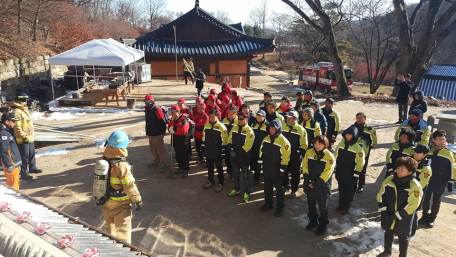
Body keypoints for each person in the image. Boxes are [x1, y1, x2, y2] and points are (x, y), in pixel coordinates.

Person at [102, 131, 142, 244]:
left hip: (106, 202)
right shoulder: (121, 165)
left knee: (110, 231)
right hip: (121, 206)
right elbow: (129, 186)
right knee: (123, 234)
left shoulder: (103, 161)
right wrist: (137, 200)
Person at [376, 157, 422, 257]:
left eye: (402, 169)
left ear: (410, 172)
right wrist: (384, 210)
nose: (399, 171)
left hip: (404, 217)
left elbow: (413, 204)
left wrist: (397, 215)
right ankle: (387, 251)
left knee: (403, 236)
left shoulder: (414, 185)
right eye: (398, 168)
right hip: (388, 213)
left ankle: (402, 255)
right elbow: (381, 195)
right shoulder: (389, 180)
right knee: (388, 231)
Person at [419, 130, 456, 228]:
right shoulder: (428, 151)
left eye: (443, 139)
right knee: (426, 198)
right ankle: (424, 215)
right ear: (433, 139)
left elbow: (452, 168)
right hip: (428, 179)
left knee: (436, 199)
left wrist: (450, 182)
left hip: (441, 179)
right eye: (439, 139)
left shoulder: (449, 153)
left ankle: (432, 217)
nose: (441, 141)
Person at [302, 135, 335, 236]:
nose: (317, 146)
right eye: (315, 143)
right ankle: (312, 221)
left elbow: (327, 172)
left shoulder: (329, 156)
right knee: (311, 203)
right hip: (310, 183)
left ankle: (323, 224)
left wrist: (315, 184)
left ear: (325, 145)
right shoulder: (309, 152)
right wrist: (307, 180)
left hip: (322, 185)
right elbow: (305, 165)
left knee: (323, 206)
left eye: (320, 144)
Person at [258, 120, 291, 217]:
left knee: (279, 190)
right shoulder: (266, 139)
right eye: (270, 128)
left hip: (277, 170)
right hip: (267, 168)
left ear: (278, 129)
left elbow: (285, 158)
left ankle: (280, 207)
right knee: (267, 188)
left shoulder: (284, 142)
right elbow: (261, 152)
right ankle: (268, 203)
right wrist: (260, 166)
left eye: (273, 128)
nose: (271, 130)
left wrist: (282, 170)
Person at [334, 126, 365, 214]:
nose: (348, 136)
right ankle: (341, 204)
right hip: (341, 171)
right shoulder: (341, 144)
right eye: (347, 134)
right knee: (341, 188)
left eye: (350, 134)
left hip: (351, 173)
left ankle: (346, 206)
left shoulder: (358, 148)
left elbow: (360, 162)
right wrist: (335, 167)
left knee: (349, 191)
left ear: (354, 136)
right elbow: (336, 155)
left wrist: (356, 174)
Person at [10, 92, 41, 180]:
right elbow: (17, 127)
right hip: (23, 138)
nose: (26, 101)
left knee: (31, 153)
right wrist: (23, 136)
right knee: (24, 156)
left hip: (29, 137)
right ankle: (23, 173)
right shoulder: (16, 112)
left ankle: (32, 167)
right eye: (25, 100)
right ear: (21, 100)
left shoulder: (24, 109)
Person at [227, 111, 254, 203]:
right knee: (235, 174)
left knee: (245, 175)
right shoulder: (234, 128)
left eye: (242, 119)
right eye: (239, 118)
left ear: (246, 120)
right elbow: (229, 139)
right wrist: (230, 149)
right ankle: (237, 189)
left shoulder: (249, 131)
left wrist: (237, 152)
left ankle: (247, 192)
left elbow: (248, 145)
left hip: (243, 158)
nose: (239, 120)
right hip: (234, 156)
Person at [282, 111, 307, 198]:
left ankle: (294, 189)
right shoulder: (283, 127)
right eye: (287, 118)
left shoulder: (301, 130)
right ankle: (286, 185)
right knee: (284, 171)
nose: (288, 119)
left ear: (295, 119)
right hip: (284, 155)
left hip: (295, 157)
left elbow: (304, 144)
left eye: (290, 118)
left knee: (295, 174)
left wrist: (298, 153)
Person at [202, 109, 228, 192]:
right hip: (209, 150)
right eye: (210, 117)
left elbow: (225, 140)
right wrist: (203, 148)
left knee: (219, 168)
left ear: (217, 117)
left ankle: (220, 183)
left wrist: (223, 151)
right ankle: (210, 181)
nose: (212, 118)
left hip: (217, 152)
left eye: (213, 117)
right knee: (210, 167)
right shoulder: (206, 125)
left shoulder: (221, 127)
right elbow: (203, 137)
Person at [353, 112, 378, 192]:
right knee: (353, 166)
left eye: (361, 118)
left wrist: (369, 147)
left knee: (363, 167)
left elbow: (374, 141)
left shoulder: (370, 129)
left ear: (365, 119)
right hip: (353, 150)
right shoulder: (353, 127)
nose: (359, 120)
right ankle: (352, 183)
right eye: (358, 118)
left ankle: (361, 185)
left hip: (364, 151)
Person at [411, 144, 432, 237]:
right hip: (406, 190)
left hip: (416, 193)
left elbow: (421, 184)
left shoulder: (426, 168)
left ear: (425, 155)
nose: (415, 153)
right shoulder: (412, 161)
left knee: (413, 213)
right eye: (415, 151)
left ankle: (411, 233)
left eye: (418, 152)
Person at [144, 94, 169, 172]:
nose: (146, 103)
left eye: (147, 101)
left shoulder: (156, 109)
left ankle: (165, 165)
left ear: (152, 101)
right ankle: (156, 162)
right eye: (145, 101)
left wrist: (163, 131)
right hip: (150, 132)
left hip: (157, 133)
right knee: (153, 149)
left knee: (161, 150)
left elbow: (162, 121)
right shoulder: (148, 109)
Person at [168, 105, 191, 178]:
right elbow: (169, 126)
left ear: (178, 112)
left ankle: (186, 169)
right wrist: (171, 129)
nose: (172, 114)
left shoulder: (184, 119)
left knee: (184, 155)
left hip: (183, 139)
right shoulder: (173, 119)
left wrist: (174, 129)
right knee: (177, 154)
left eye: (173, 112)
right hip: (175, 138)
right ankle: (180, 167)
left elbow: (183, 130)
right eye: (171, 112)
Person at [0, 112, 22, 189]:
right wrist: (9, 164)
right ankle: (12, 200)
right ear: (6, 121)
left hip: (12, 163)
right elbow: (4, 150)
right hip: (11, 164)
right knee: (13, 185)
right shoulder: (3, 133)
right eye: (13, 121)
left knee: (14, 182)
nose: (14, 123)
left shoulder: (7, 131)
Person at [250, 110, 269, 185]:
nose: (258, 118)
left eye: (260, 116)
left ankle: (265, 179)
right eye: (257, 116)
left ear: (264, 117)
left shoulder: (268, 126)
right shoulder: (253, 125)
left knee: (265, 164)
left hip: (264, 149)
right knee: (256, 164)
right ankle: (256, 178)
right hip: (255, 148)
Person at [222, 106, 238, 179]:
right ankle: (229, 173)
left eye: (232, 114)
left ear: (235, 114)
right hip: (226, 144)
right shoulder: (224, 120)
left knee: (234, 161)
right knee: (227, 159)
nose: (229, 115)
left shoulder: (238, 121)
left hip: (234, 144)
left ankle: (235, 174)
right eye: (229, 113)